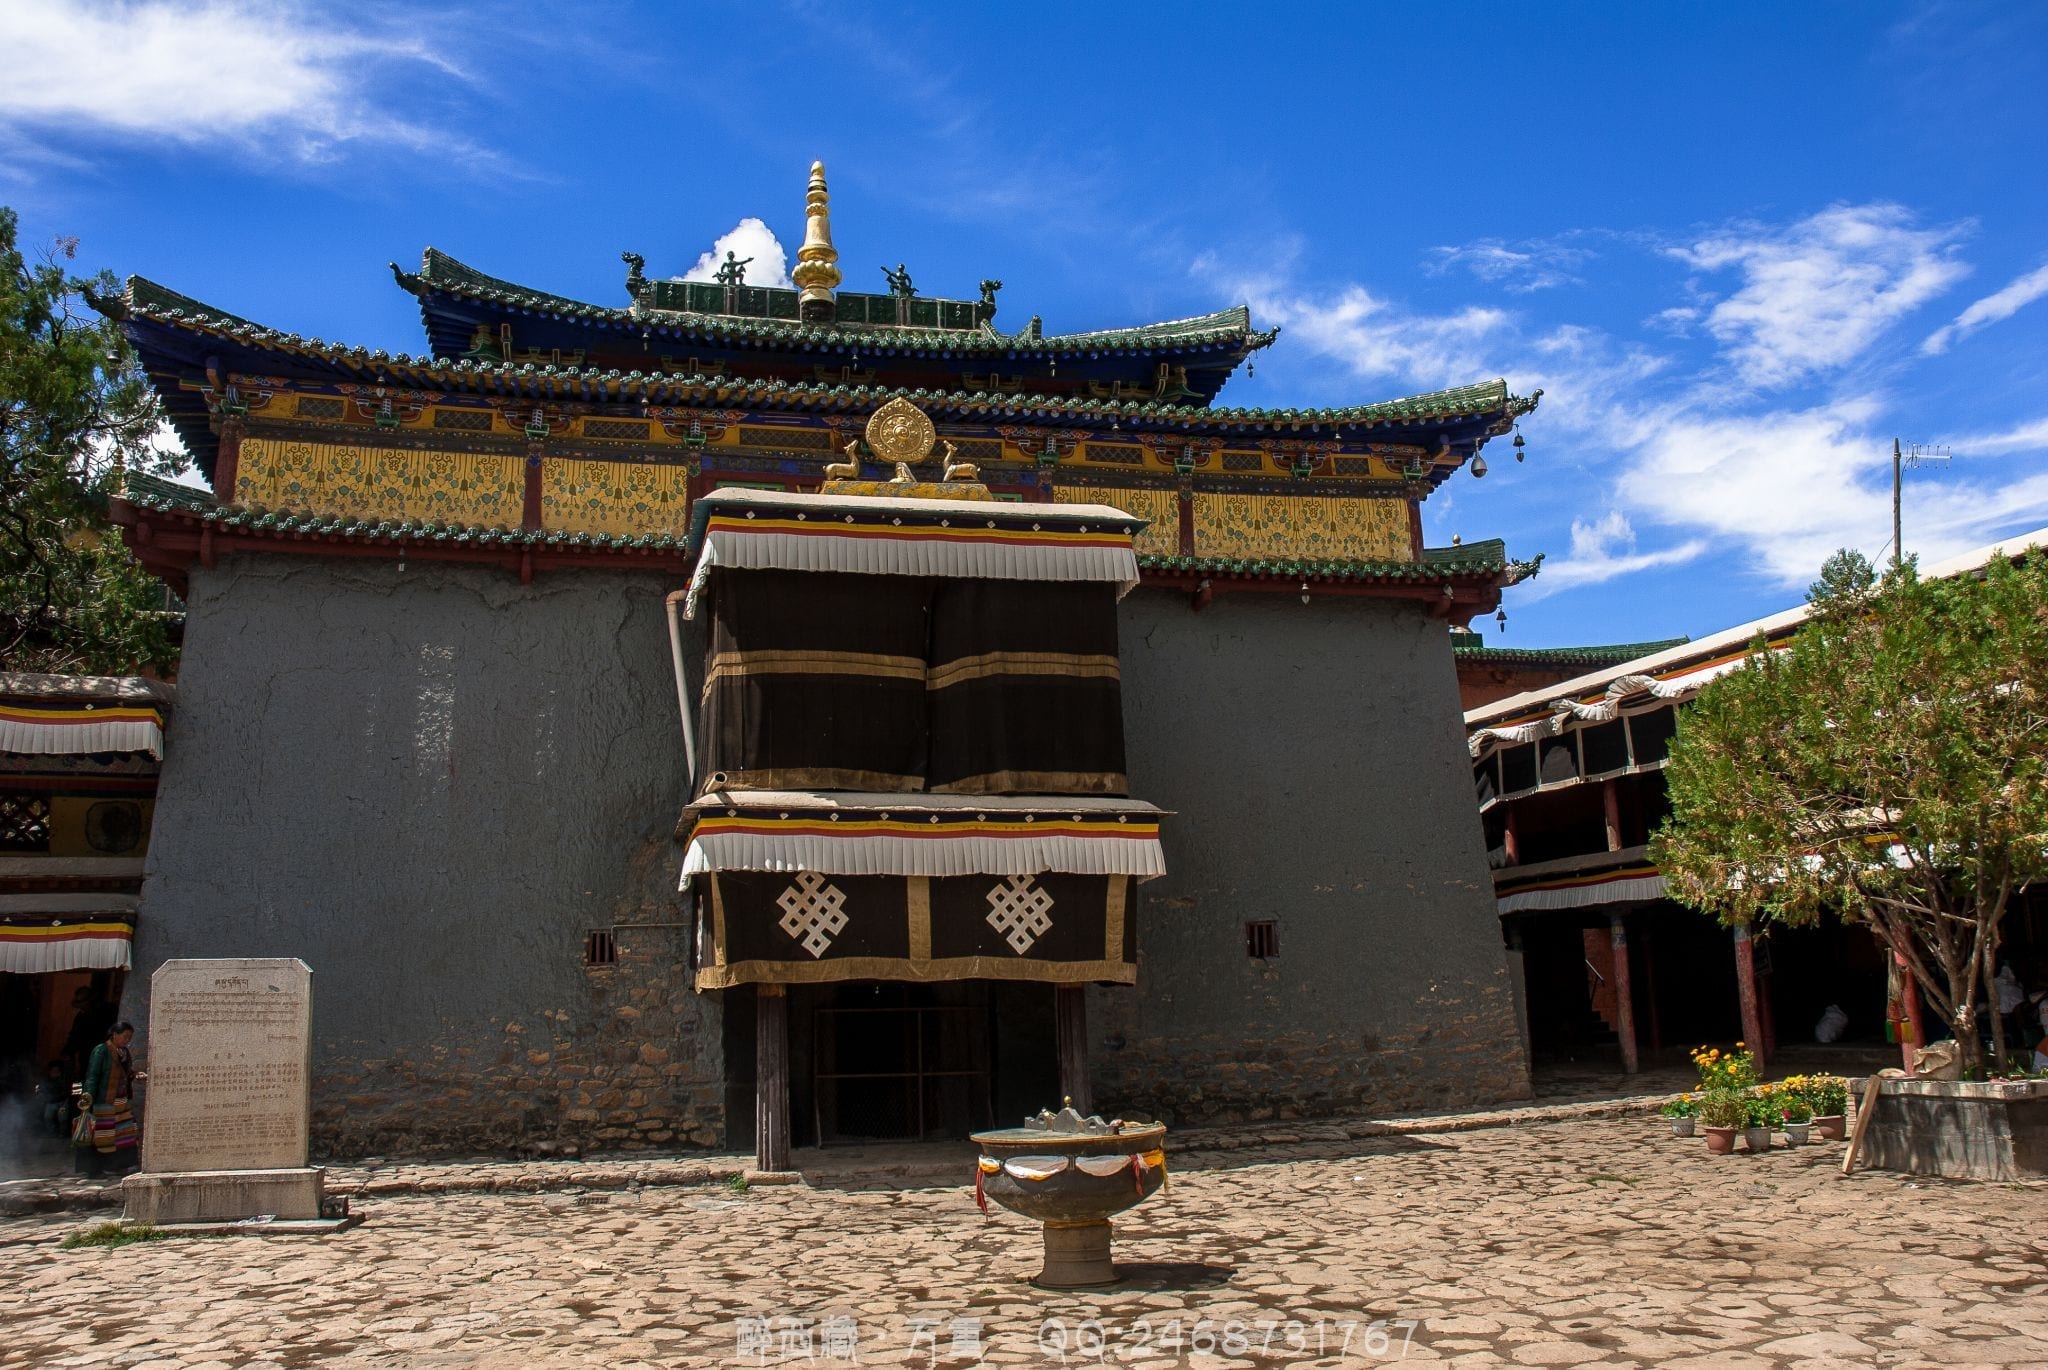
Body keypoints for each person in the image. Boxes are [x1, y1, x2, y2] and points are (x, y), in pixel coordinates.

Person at [78, 1022, 144, 1177]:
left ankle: (117, 1166)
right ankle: (95, 1169)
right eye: (125, 1036)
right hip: (104, 1100)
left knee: (124, 1135)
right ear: (115, 1034)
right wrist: (88, 1098)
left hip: (121, 1100)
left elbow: (125, 1073)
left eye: (129, 1037)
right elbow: (93, 1075)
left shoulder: (124, 1052)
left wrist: (135, 1075)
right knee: (102, 1136)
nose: (127, 1040)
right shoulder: (101, 1051)